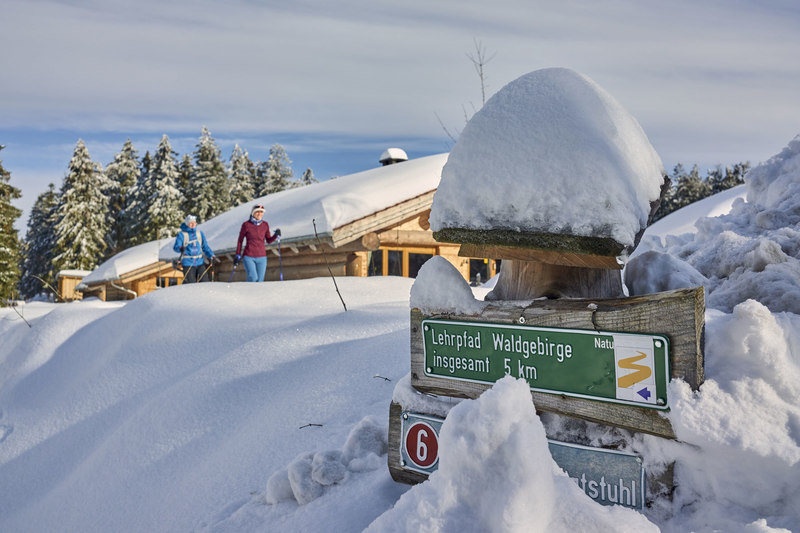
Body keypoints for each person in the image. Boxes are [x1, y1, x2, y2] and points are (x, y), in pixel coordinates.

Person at [235, 204, 281, 282]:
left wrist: (276, 235)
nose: (259, 213)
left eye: (261, 212)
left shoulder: (265, 225)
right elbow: (240, 240)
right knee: (253, 278)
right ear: (253, 213)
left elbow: (268, 240)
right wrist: (238, 254)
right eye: (257, 212)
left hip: (262, 257)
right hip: (249, 256)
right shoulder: (246, 225)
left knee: (260, 281)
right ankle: (245, 289)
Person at [173, 215, 218, 283]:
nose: (193, 224)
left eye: (194, 222)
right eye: (191, 223)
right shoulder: (182, 235)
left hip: (200, 262)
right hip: (188, 263)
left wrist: (211, 255)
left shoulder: (199, 234)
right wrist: (181, 248)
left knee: (205, 281)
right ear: (187, 224)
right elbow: (176, 247)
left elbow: (205, 246)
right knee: (191, 283)